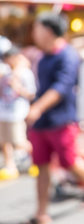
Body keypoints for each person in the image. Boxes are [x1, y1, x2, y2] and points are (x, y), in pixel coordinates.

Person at [26, 12, 84, 224]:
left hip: (62, 121)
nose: (34, 33)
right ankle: (41, 213)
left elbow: (62, 86)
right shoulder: (42, 56)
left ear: (48, 31)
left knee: (68, 162)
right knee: (41, 167)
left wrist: (38, 107)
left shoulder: (67, 55)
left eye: (36, 28)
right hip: (41, 123)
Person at [0, 46, 36, 180]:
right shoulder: (5, 71)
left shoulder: (25, 73)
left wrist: (18, 87)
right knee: (4, 141)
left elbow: (31, 94)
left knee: (18, 141)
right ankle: (10, 166)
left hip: (17, 112)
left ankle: (37, 158)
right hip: (3, 111)